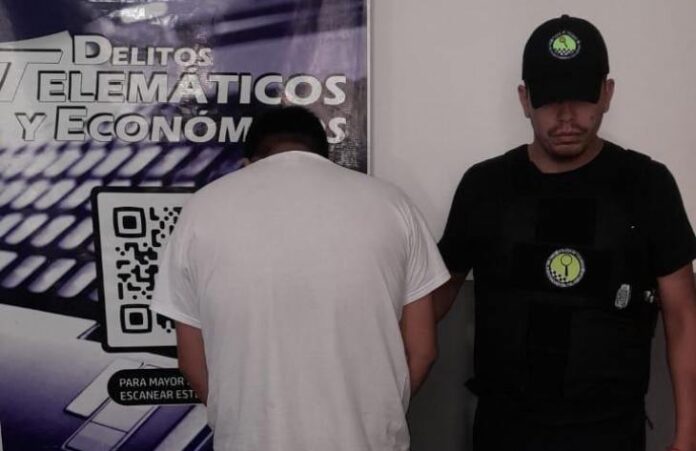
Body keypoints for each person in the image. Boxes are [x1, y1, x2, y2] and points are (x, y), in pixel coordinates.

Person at [435, 14, 696, 451]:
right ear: (525, 99)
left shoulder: (647, 185)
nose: (567, 116)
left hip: (609, 431)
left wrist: (688, 435)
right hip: (505, 430)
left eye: (581, 97)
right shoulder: (486, 186)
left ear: (607, 93)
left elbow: (683, 316)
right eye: (550, 99)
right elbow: (436, 297)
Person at [150, 106, 450, 451]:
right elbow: (423, 350)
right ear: (325, 156)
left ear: (247, 164)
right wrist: (379, 420)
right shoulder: (393, 205)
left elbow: (191, 363)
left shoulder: (200, 210)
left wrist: (237, 422)